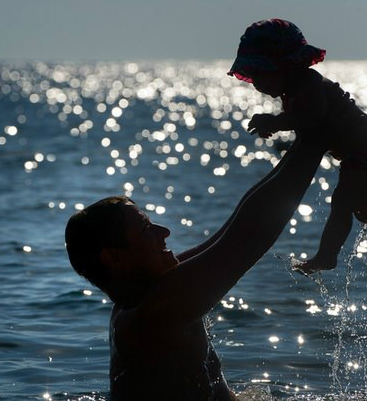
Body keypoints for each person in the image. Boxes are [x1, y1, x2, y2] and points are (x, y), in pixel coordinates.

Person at [65, 130, 329, 398]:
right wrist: (317, 139)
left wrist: (306, 137)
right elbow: (249, 239)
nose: (164, 232)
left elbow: (233, 229)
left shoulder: (145, 292)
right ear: (115, 258)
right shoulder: (152, 315)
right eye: (146, 229)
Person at [227, 18, 367, 272]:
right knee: (364, 211)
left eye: (261, 73)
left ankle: (326, 256)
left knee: (343, 201)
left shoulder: (309, 84)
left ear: (286, 65)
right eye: (253, 76)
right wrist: (278, 128)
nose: (257, 84)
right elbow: (306, 126)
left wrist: (275, 122)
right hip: (358, 155)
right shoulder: (293, 91)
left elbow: (312, 118)